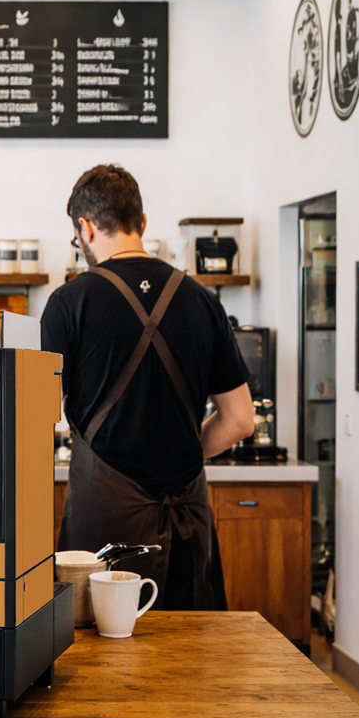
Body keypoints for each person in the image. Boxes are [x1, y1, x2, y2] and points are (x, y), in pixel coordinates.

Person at [40, 165, 255, 610]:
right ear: (141, 222)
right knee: (189, 645)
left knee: (101, 644)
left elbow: (36, 418)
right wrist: (183, 452)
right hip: (187, 522)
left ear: (85, 228)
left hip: (103, 532)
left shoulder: (69, 303)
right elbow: (240, 420)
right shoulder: (203, 300)